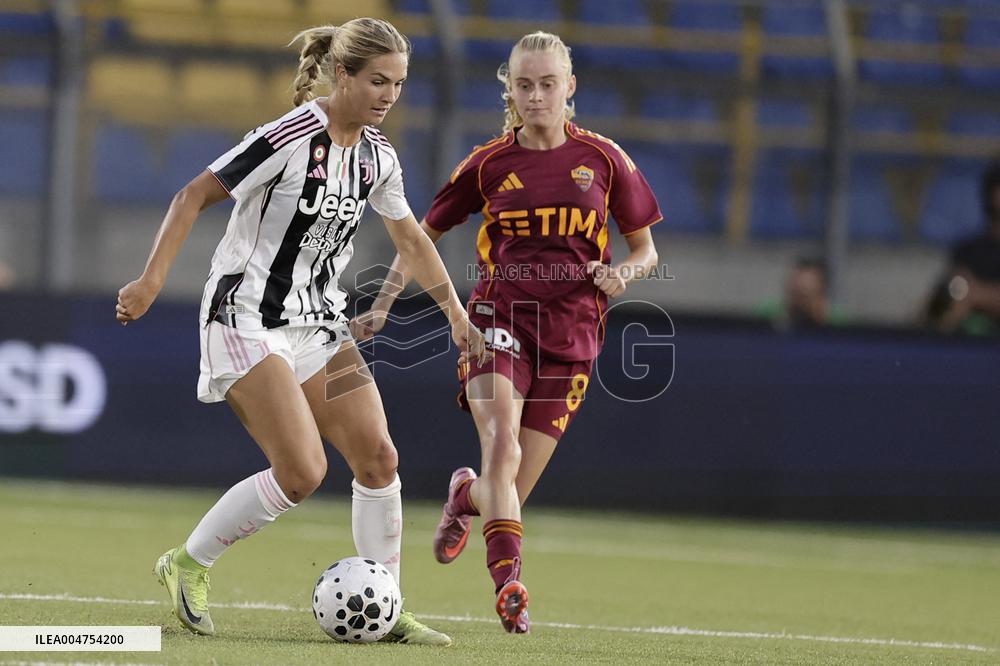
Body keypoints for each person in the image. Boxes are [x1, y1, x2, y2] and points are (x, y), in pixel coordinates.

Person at [115, 18, 487, 645]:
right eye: (377, 80)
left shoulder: (378, 156)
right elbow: (190, 196)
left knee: (378, 458)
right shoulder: (288, 138)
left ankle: (388, 608)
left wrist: (457, 314)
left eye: (398, 83)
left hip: (317, 324)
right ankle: (187, 564)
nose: (388, 95)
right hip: (245, 319)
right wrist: (151, 282)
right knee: (301, 473)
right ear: (341, 73)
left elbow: (412, 242)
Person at [350, 32, 661, 633]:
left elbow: (646, 249)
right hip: (497, 321)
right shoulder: (489, 163)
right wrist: (384, 303)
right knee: (502, 446)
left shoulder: (603, 158)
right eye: (524, 85)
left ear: (570, 88)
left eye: (548, 84)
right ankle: (509, 582)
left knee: (507, 488)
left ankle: (464, 498)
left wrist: (620, 274)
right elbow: (421, 237)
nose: (537, 96)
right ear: (509, 90)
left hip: (574, 336)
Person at [924, 159, 1000, 335]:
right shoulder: (969, 250)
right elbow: (951, 291)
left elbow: (966, 292)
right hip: (969, 333)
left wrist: (976, 293)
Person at [755, 256, 848, 330]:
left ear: (822, 294)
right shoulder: (768, 314)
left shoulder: (840, 324)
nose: (798, 303)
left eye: (805, 296)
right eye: (793, 293)